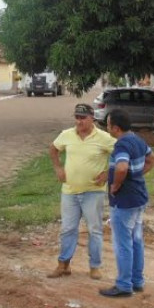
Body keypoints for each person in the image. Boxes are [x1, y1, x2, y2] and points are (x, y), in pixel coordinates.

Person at [47, 103, 116, 280]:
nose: (79, 121)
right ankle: (63, 265)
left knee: (95, 230)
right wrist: (58, 168)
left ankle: (95, 266)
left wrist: (109, 172)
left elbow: (121, 153)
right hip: (69, 192)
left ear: (92, 118)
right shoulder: (66, 135)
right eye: (77, 117)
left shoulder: (104, 137)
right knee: (67, 229)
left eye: (83, 118)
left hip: (93, 192)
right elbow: (54, 149)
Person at [100, 108, 154, 298]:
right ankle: (137, 281)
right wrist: (137, 175)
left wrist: (116, 185)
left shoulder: (122, 145)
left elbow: (122, 167)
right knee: (136, 240)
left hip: (125, 202)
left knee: (123, 243)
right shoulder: (137, 140)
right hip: (139, 198)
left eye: (108, 124)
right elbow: (152, 159)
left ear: (115, 128)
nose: (107, 127)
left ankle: (124, 285)